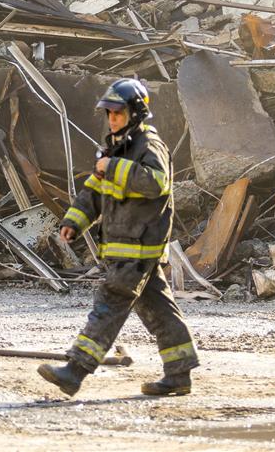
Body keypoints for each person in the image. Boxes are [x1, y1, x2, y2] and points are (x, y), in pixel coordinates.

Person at [37, 78, 199, 397]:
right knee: (159, 309)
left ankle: (74, 371)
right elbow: (96, 192)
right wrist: (75, 221)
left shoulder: (148, 145)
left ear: (135, 113)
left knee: (109, 304)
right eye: (108, 113)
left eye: (118, 113)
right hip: (132, 249)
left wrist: (112, 166)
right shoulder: (118, 147)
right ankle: (179, 374)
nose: (111, 119)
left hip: (138, 248)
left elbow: (156, 183)